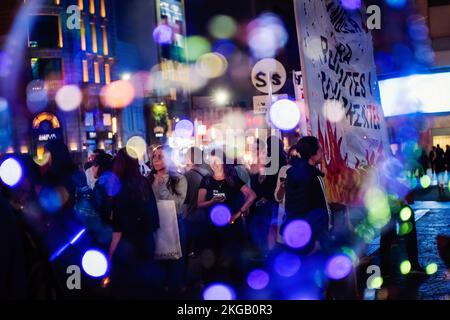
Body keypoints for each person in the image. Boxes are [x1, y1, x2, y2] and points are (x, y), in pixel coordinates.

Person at [197, 149, 256, 287]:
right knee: (212, 259)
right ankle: (211, 286)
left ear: (223, 162)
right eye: (211, 162)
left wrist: (239, 213)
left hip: (231, 227)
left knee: (233, 259)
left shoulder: (233, 180)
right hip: (211, 227)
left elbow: (252, 195)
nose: (214, 165)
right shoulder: (206, 180)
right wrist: (212, 201)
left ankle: (236, 287)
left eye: (217, 162)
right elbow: (199, 204)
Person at [108, 148, 160, 299]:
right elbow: (153, 215)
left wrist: (110, 253)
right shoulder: (143, 183)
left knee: (128, 288)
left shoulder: (118, 187)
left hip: (128, 243)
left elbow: (118, 225)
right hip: (147, 239)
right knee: (146, 286)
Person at [148, 145, 188, 296]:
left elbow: (177, 205)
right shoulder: (147, 179)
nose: (156, 160)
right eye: (154, 156)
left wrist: (162, 187)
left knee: (176, 259)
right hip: (155, 223)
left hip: (174, 223)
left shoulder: (179, 178)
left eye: (161, 156)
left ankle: (175, 288)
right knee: (157, 258)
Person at [283, 136, 331, 254]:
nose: (322, 152)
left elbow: (288, 204)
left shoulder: (291, 173)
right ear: (311, 153)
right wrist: (322, 236)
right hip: (311, 233)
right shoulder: (315, 176)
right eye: (320, 149)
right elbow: (322, 207)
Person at [248, 145, 279, 260]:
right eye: (254, 152)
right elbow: (251, 186)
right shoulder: (252, 167)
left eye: (258, 151)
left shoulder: (271, 167)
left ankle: (268, 253)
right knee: (256, 228)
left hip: (269, 203)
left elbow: (275, 185)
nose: (256, 154)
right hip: (255, 204)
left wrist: (267, 197)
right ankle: (259, 252)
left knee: (268, 227)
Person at [183, 147, 212, 257]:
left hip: (190, 217)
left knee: (188, 249)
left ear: (190, 159)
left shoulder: (187, 176)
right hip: (205, 216)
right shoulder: (208, 174)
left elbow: (184, 200)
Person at [274, 145, 299, 244]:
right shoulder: (284, 170)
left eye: (297, 156)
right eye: (291, 156)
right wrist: (282, 187)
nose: (293, 158)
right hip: (284, 214)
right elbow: (277, 197)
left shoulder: (307, 172)